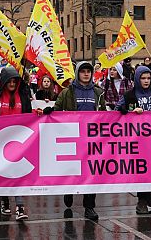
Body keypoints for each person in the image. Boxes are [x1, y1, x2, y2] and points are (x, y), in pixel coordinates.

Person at [52, 61, 106, 221]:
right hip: (72, 138)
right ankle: (69, 190)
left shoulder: (98, 92)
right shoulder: (67, 92)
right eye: (83, 71)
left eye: (89, 71)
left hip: (91, 139)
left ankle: (89, 207)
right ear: (77, 73)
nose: (86, 74)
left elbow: (104, 114)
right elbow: (57, 111)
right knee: (72, 170)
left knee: (91, 173)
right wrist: (50, 112)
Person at [115, 66, 151, 214]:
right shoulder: (129, 95)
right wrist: (131, 112)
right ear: (137, 79)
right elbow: (117, 111)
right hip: (136, 140)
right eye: (143, 78)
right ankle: (143, 201)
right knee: (141, 171)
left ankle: (147, 196)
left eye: (148, 78)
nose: (146, 81)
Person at [0, 67, 32, 221]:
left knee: (17, 174)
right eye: (9, 81)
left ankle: (20, 206)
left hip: (18, 143)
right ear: (3, 82)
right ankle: (4, 202)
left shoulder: (23, 96)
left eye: (14, 81)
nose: (12, 83)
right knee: (2, 173)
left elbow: (29, 115)